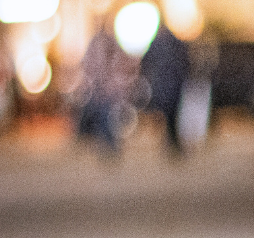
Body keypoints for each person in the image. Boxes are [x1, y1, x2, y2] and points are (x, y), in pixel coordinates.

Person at [74, 27, 133, 158]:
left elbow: (120, 66)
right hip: (101, 89)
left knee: (107, 117)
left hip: (108, 90)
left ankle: (109, 145)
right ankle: (108, 145)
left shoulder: (111, 45)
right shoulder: (97, 46)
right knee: (104, 117)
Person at [138, 24, 191, 158]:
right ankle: (172, 142)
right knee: (172, 116)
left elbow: (145, 63)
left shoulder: (157, 44)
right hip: (173, 85)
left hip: (164, 85)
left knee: (168, 116)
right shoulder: (176, 43)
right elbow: (187, 62)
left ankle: (171, 142)